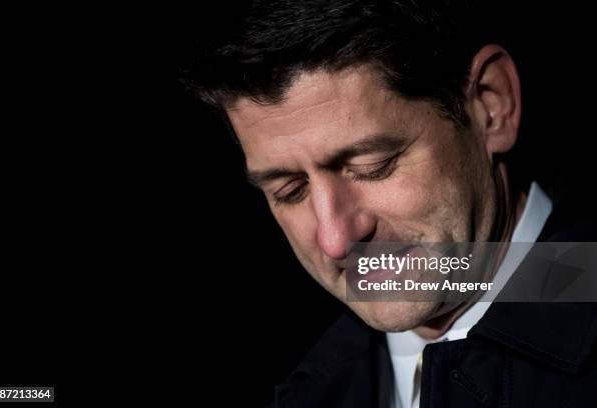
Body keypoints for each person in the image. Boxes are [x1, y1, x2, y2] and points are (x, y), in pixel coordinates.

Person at [184, 1, 597, 406]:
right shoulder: (307, 388)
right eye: (290, 191)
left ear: (491, 106)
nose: (336, 239)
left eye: (372, 165)